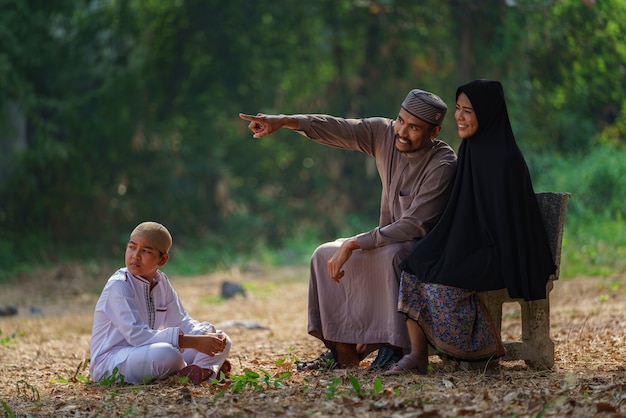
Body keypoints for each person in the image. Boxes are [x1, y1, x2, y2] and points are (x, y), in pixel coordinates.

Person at [239, 88, 457, 369]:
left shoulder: (443, 163)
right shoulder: (384, 134)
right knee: (322, 254)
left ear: (434, 132)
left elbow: (414, 225)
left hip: (422, 247)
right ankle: (342, 350)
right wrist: (285, 121)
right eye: (400, 120)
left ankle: (394, 346)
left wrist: (355, 242)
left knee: (393, 256)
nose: (402, 131)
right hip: (387, 239)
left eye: (414, 127)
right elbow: (338, 127)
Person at [387, 79, 555, 374]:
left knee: (443, 282)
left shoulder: (506, 159)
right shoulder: (469, 150)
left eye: (468, 111)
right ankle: (417, 355)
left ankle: (479, 351)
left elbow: (506, 225)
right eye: (457, 109)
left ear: (488, 113)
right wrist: (445, 244)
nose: (459, 117)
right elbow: (461, 211)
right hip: (476, 244)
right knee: (416, 262)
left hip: (503, 252)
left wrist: (465, 250)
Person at [89, 221, 231, 384]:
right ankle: (200, 370)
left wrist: (205, 335)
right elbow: (137, 335)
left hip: (145, 352)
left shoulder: (161, 282)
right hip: (111, 361)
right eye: (132, 247)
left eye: (146, 251)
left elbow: (181, 321)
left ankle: (201, 372)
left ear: (162, 259)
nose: (135, 255)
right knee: (168, 355)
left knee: (222, 339)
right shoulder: (119, 285)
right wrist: (194, 342)